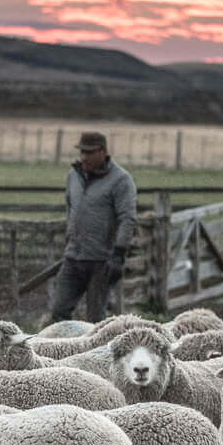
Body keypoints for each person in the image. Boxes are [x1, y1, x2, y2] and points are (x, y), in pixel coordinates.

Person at [49, 130, 136, 323]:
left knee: (95, 321)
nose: (84, 157)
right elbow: (70, 209)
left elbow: (127, 218)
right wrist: (69, 239)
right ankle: (63, 351)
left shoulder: (121, 180)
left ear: (103, 152)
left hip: (101, 261)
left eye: (90, 152)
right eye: (82, 152)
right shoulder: (73, 176)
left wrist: (119, 254)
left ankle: (96, 353)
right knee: (59, 312)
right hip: (73, 257)